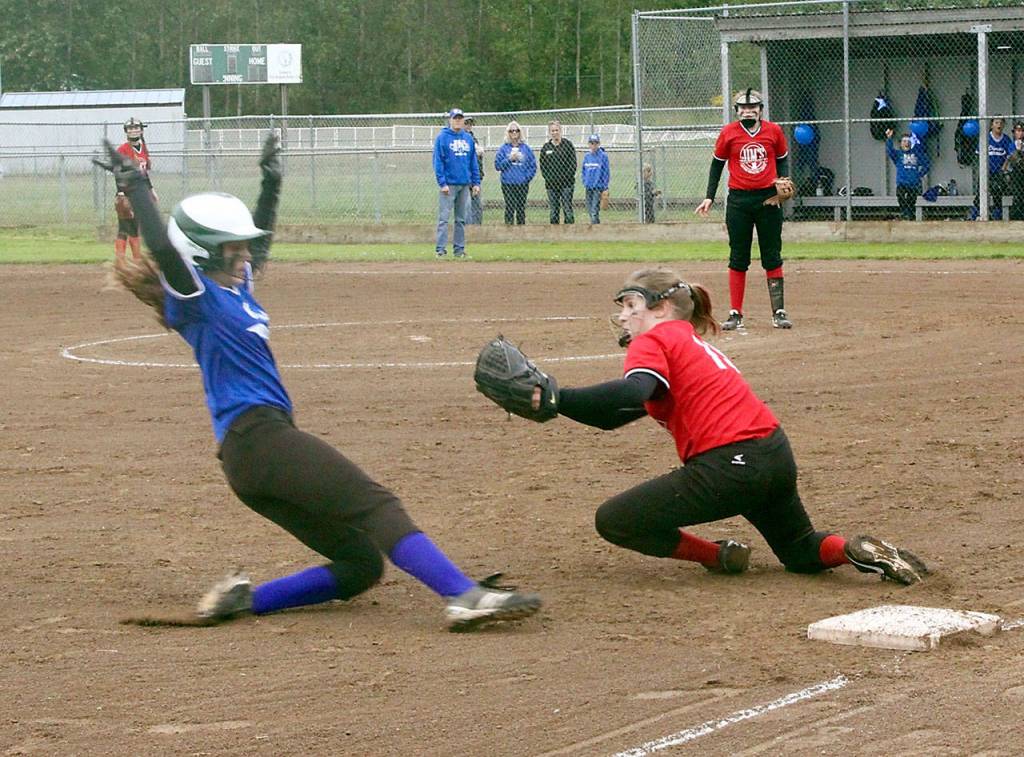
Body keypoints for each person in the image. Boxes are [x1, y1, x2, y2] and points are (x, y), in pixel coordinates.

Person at [93, 134, 541, 632]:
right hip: (259, 439)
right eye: (232, 247)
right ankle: (463, 596)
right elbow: (161, 245)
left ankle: (242, 602)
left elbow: (259, 243)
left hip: (254, 455)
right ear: (203, 252)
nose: (244, 254)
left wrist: (272, 181)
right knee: (376, 504)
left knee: (361, 566)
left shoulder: (234, 286)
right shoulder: (194, 298)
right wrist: (134, 183)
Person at [488, 267, 927, 587]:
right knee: (799, 550)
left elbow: (631, 391)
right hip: (772, 455)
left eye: (630, 305)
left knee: (615, 520)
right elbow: (613, 415)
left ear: (660, 309)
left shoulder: (656, 339)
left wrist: (555, 397)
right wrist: (562, 405)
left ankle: (717, 556)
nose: (624, 316)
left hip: (729, 465)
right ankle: (855, 549)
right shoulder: (688, 344)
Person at [695, 89, 793, 331]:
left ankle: (778, 312)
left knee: (772, 255)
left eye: (753, 107)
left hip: (767, 199)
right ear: (737, 111)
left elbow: (781, 158)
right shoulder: (729, 133)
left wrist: (782, 181)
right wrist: (709, 196)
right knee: (738, 257)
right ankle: (735, 312)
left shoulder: (773, 131)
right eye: (743, 107)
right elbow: (716, 166)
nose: (748, 111)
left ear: (760, 110)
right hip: (738, 200)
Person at [432, 108, 481, 257]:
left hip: (464, 184)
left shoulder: (468, 138)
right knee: (444, 219)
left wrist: (476, 182)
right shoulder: (442, 137)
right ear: (450, 119)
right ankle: (441, 250)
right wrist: (442, 183)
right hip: (449, 185)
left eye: (460, 118)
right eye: (455, 118)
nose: (458, 121)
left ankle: (459, 250)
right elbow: (438, 161)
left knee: (461, 219)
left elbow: (473, 162)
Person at [113, 117, 157, 262]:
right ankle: (123, 260)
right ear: (126, 132)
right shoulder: (123, 149)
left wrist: (151, 189)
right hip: (126, 191)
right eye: (130, 128)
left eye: (136, 128)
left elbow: (144, 173)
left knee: (134, 226)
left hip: (139, 192)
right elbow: (118, 172)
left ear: (141, 130)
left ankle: (135, 260)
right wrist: (120, 192)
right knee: (125, 227)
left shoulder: (143, 147)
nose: (133, 130)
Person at [493, 120, 536, 225]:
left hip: (522, 184)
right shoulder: (503, 149)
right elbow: (498, 166)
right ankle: (509, 229)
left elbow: (533, 166)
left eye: (516, 130)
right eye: (511, 131)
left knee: (521, 208)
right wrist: (509, 159)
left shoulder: (526, 148)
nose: (514, 133)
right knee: (510, 207)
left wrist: (526, 178)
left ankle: (521, 231)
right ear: (508, 133)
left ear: (520, 132)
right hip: (508, 184)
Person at [884, 128, 930, 220]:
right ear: (900, 143)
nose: (906, 143)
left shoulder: (916, 154)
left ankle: (910, 215)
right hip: (902, 182)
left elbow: (926, 164)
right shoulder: (898, 155)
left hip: (913, 183)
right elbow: (890, 151)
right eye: (904, 141)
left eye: (908, 141)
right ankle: (904, 213)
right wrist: (889, 139)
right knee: (900, 196)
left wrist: (920, 174)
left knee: (911, 200)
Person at [977, 116, 1015, 221]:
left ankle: (997, 217)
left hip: (999, 172)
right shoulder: (986, 138)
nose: (999, 125)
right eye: (996, 122)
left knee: (997, 193)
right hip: (986, 171)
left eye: (1001, 123)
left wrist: (1004, 167)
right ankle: (975, 215)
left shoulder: (1006, 139)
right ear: (991, 125)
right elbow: (978, 155)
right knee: (980, 194)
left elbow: (1010, 155)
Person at [539, 120, 577, 224]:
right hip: (551, 185)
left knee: (567, 209)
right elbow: (543, 167)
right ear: (549, 132)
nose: (555, 132)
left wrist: (564, 178)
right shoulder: (546, 148)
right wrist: (550, 178)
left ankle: (569, 231)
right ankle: (554, 234)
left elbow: (573, 165)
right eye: (552, 130)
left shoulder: (568, 145)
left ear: (560, 131)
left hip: (566, 184)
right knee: (554, 211)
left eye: (556, 130)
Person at [581, 134, 610, 224]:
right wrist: (584, 181)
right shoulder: (587, 156)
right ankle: (596, 225)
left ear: (598, 144)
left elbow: (606, 172)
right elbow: (583, 170)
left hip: (598, 186)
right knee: (589, 209)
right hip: (588, 186)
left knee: (594, 210)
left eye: (595, 143)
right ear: (589, 144)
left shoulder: (603, 156)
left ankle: (595, 227)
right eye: (592, 143)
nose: (594, 145)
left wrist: (605, 187)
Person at [464, 116, 485, 225]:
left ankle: (477, 228)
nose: (468, 126)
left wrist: (479, 154)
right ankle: (468, 229)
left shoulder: (474, 138)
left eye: (470, 124)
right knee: (466, 206)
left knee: (477, 205)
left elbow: (477, 160)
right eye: (466, 123)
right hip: (465, 177)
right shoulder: (461, 138)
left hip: (476, 177)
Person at [1007, 121, 1024, 221]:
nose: (1020, 133)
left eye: (1022, 131)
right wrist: (1018, 151)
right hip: (1016, 173)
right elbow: (1013, 159)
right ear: (1014, 133)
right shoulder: (1012, 144)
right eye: (1018, 131)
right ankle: (1016, 217)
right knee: (1018, 195)